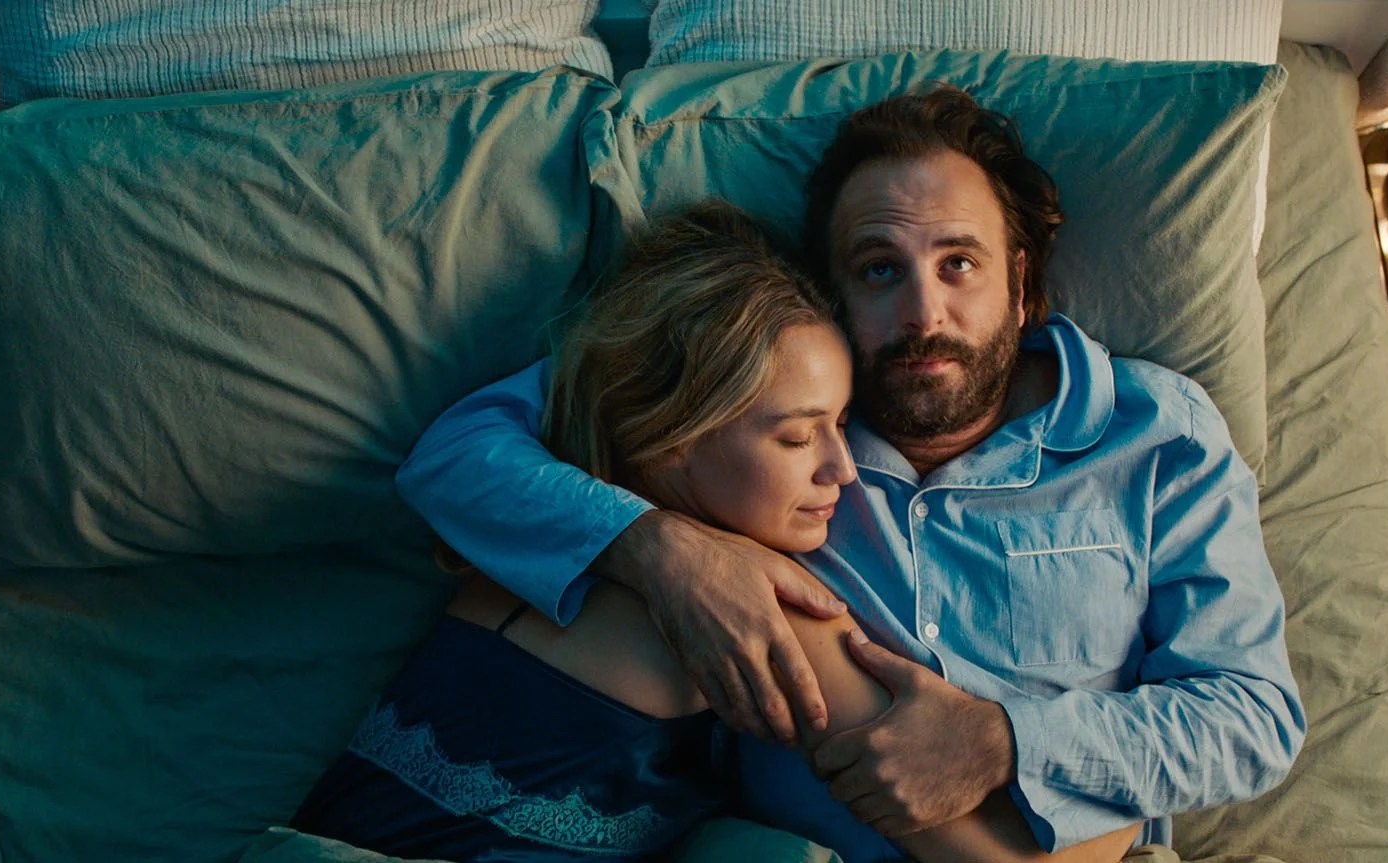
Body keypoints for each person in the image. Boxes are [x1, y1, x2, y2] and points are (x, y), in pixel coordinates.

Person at [396, 87, 1305, 860]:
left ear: (1022, 284)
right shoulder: (769, 398)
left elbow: (1253, 718)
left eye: (959, 264)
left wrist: (1003, 740)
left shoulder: (1156, 432)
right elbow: (459, 453)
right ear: (833, 291)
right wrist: (663, 553)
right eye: (879, 270)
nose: (923, 313)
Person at [292, 200, 1139, 862]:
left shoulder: (534, 545)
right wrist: (1134, 807)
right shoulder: (756, 607)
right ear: (674, 436)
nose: (843, 469)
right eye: (797, 436)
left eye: (841, 424)